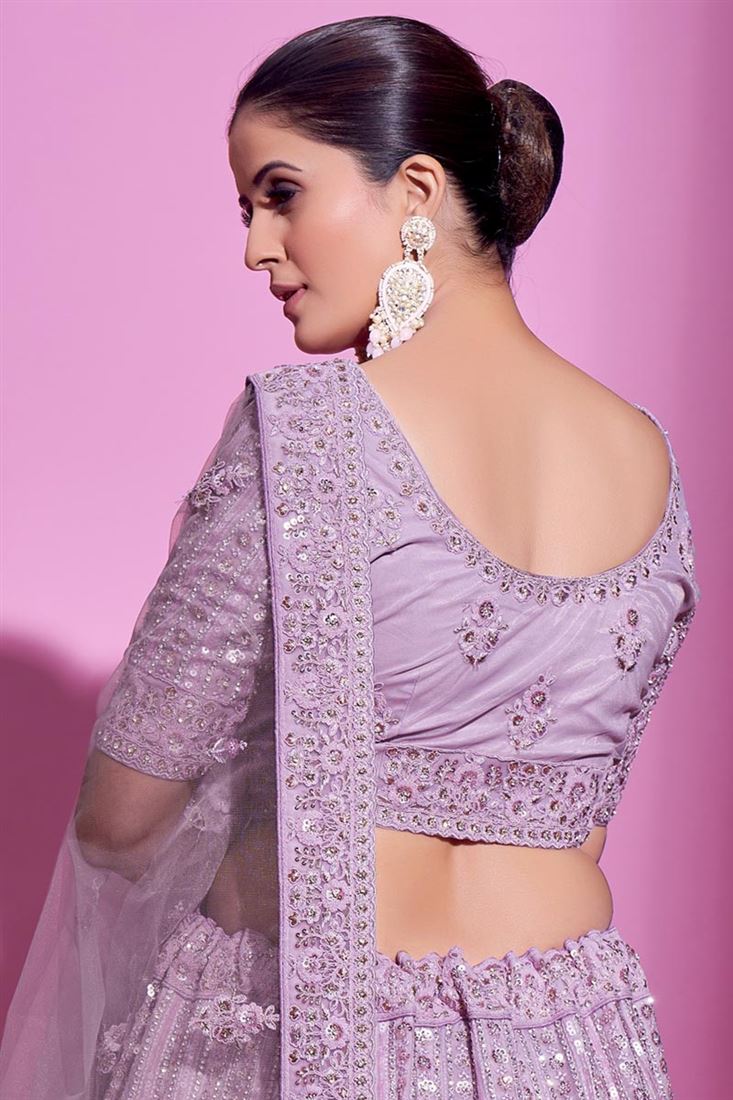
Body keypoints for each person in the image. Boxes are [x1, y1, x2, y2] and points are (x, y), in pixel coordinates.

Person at [0, 14, 701, 1100]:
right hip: (572, 1044)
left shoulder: (305, 433)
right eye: (248, 209)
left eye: (281, 194)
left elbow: (119, 814)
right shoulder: (647, 458)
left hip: (305, 1033)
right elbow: (577, 817)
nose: (256, 248)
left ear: (416, 191)